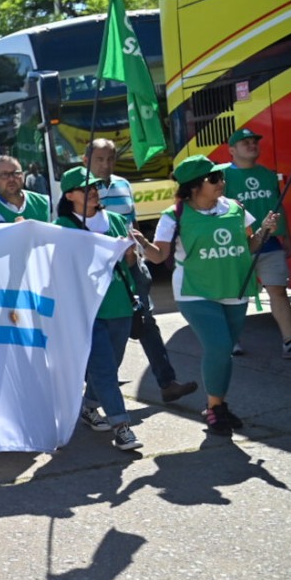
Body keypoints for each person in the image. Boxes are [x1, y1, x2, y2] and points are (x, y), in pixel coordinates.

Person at [142, 155, 277, 436]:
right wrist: (141, 243)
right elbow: (158, 256)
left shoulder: (236, 208)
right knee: (218, 346)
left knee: (224, 351)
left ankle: (218, 405)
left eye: (221, 177)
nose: (221, 182)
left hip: (235, 288)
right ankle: (215, 408)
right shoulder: (173, 215)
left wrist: (264, 231)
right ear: (194, 186)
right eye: (214, 178)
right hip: (195, 291)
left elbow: (250, 246)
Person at [88, 139, 198, 402]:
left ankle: (167, 382)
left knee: (146, 321)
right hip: (99, 272)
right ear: (86, 161)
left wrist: (139, 253)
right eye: (99, 159)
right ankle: (97, 389)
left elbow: (132, 223)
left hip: (132, 266)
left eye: (110, 159)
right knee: (107, 327)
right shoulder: (81, 191)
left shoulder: (123, 184)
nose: (105, 164)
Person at [54, 167, 143, 451]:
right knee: (104, 369)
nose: (92, 191)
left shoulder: (115, 220)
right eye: (85, 188)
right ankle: (121, 426)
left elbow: (129, 263)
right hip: (85, 310)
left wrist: (130, 252)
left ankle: (89, 406)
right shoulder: (62, 227)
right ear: (70, 195)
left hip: (119, 303)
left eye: (94, 186)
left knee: (110, 364)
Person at [225, 127, 291, 358]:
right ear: (232, 150)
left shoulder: (267, 174)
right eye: (245, 143)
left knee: (278, 290)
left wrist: (287, 236)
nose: (252, 145)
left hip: (270, 243)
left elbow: (278, 206)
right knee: (235, 295)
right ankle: (231, 340)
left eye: (254, 141)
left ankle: (289, 341)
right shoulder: (222, 176)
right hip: (237, 245)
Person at [0, 155, 50, 223]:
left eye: (16, 173)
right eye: (4, 175)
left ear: (23, 177)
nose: (11, 179)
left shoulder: (42, 203)